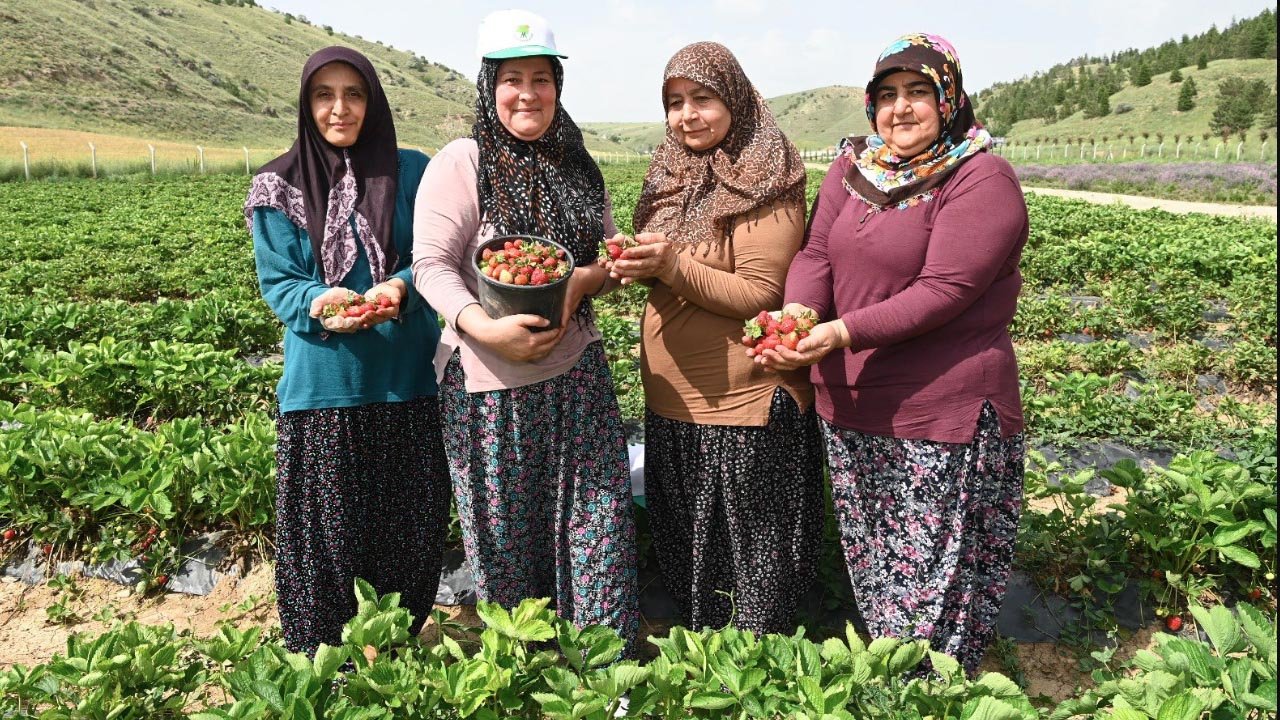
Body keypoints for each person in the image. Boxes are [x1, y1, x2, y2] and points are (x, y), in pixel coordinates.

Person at [752, 33, 1027, 674]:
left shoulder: (980, 176)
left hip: (939, 407)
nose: (899, 109)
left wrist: (841, 332)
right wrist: (797, 316)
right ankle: (897, 682)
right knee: (876, 557)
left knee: (927, 572)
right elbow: (817, 251)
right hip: (851, 403)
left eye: (918, 93)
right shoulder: (856, 170)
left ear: (949, 98)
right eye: (886, 96)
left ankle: (925, 691)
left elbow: (945, 289)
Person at [411, 9, 638, 653]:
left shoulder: (576, 165)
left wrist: (592, 279)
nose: (528, 94)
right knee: (508, 540)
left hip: (576, 378)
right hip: (489, 386)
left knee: (597, 525)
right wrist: (484, 328)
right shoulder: (464, 161)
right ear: (490, 85)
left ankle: (600, 669)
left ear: (558, 86)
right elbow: (429, 263)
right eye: (512, 79)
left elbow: (604, 263)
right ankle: (526, 668)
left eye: (542, 78)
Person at [605, 41, 823, 635]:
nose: (686, 115)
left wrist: (669, 264)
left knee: (752, 555)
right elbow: (667, 269)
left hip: (743, 404)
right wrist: (634, 266)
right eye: (674, 102)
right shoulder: (672, 173)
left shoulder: (763, 174)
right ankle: (704, 667)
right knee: (690, 550)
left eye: (702, 98)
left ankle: (755, 671)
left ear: (735, 99)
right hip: (674, 402)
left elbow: (760, 294)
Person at [245, 46, 449, 656]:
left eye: (354, 94)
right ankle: (322, 661)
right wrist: (321, 299)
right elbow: (278, 280)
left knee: (409, 530)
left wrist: (400, 288)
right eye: (324, 95)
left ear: (374, 100)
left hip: (407, 380)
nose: (340, 109)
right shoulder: (276, 185)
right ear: (306, 105)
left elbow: (439, 257)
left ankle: (396, 652)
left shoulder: (413, 172)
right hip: (324, 389)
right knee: (325, 540)